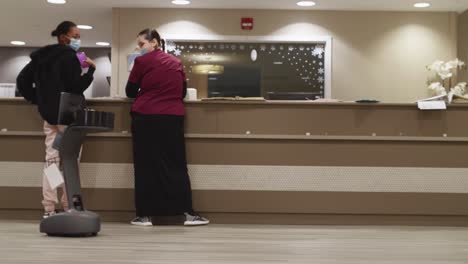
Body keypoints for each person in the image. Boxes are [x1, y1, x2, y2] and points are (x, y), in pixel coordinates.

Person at [126, 28, 209, 226]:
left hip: (145, 118)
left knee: (145, 166)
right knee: (177, 165)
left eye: (141, 44)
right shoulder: (176, 62)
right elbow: (180, 93)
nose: (139, 48)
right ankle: (187, 213)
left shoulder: (140, 62)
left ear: (154, 42)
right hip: (172, 118)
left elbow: (130, 91)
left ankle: (145, 215)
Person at [16, 21, 96, 219]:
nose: (78, 39)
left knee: (52, 161)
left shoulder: (40, 57)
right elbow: (76, 87)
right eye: (75, 35)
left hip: (50, 116)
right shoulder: (70, 56)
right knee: (71, 160)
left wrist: (39, 99)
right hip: (68, 116)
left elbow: (22, 81)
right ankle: (70, 204)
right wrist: (91, 71)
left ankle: (49, 209)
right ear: (63, 37)